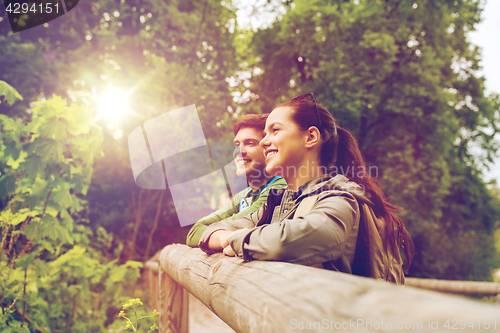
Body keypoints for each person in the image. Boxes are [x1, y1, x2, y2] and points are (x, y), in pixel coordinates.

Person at [198, 93, 414, 282]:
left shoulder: (340, 199)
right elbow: (207, 233)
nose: (264, 141)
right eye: (264, 134)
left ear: (310, 137)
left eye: (274, 131)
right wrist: (233, 237)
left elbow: (296, 240)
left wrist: (237, 239)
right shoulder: (279, 202)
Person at [186, 114, 287, 247]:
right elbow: (194, 233)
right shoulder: (244, 195)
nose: (239, 151)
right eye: (237, 145)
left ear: (268, 147)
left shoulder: (280, 185)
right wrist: (224, 237)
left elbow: (236, 227)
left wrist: (214, 235)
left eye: (249, 143)